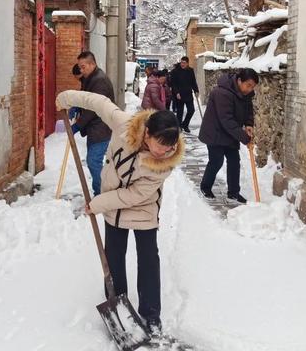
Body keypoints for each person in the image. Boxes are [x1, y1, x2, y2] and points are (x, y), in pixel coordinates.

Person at [56, 89, 184, 334]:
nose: (163, 153)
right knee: (113, 256)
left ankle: (151, 314)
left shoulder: (164, 164)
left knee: (148, 259)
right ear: (147, 133)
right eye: (160, 146)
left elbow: (133, 195)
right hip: (113, 208)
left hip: (143, 210)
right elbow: (99, 102)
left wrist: (98, 203)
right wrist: (67, 97)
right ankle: (119, 305)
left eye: (169, 149)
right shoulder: (125, 124)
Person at [198, 68, 258, 203]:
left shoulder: (245, 93)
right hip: (215, 132)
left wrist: (249, 123)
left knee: (234, 162)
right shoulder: (221, 93)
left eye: (252, 87)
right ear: (239, 80)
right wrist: (244, 138)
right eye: (248, 85)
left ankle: (234, 193)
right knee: (216, 161)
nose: (250, 89)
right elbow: (226, 120)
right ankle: (205, 187)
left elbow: (248, 109)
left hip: (230, 133)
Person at [73, 51, 115, 196]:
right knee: (94, 161)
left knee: (93, 161)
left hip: (101, 127)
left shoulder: (99, 81)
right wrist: (77, 105)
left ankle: (101, 193)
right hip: (94, 128)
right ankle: (101, 190)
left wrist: (78, 125)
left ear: (92, 64)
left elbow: (94, 108)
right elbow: (85, 97)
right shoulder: (89, 78)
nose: (81, 70)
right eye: (80, 67)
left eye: (83, 67)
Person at [170, 56, 199, 133]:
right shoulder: (175, 71)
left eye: (184, 63)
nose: (182, 64)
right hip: (179, 95)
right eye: (181, 62)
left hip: (188, 94)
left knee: (191, 110)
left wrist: (196, 90)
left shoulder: (190, 70)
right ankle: (179, 126)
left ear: (187, 63)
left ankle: (185, 124)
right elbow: (173, 84)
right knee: (180, 112)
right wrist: (177, 93)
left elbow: (193, 82)